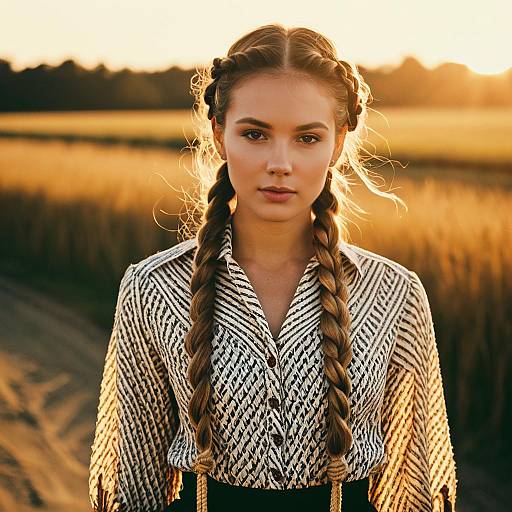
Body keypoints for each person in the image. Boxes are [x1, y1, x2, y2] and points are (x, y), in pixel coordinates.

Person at [88, 23, 458, 512]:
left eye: (307, 138)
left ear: (339, 143)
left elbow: (415, 485)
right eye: (255, 134)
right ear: (220, 135)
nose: (279, 163)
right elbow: (135, 486)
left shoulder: (394, 294)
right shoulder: (151, 288)